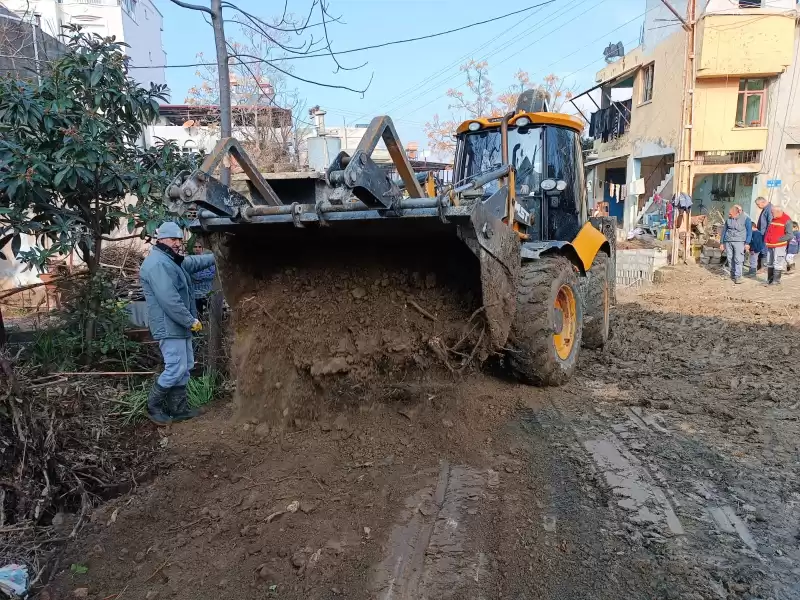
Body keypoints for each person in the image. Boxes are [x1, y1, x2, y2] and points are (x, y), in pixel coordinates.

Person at [139, 222, 216, 425]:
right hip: (170, 325)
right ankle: (153, 407)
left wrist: (218, 257)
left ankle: (178, 409)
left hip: (179, 325)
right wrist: (190, 320)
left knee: (186, 365)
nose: (177, 243)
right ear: (161, 239)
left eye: (179, 239)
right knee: (175, 367)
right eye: (173, 239)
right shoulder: (157, 264)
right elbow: (169, 300)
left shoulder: (170, 260)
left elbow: (191, 263)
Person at [719, 204, 751, 284]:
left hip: (739, 242)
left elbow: (749, 232)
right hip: (729, 241)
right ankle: (732, 274)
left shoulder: (746, 219)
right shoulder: (728, 219)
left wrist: (747, 243)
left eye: (731, 214)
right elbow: (724, 231)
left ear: (738, 213)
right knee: (730, 258)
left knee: (738, 259)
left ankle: (738, 276)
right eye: (729, 214)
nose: (729, 216)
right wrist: (722, 243)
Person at [764, 205, 793, 285]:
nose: (771, 214)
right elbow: (769, 230)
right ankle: (769, 280)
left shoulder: (787, 220)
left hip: (779, 246)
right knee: (769, 262)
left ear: (778, 212)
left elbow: (790, 235)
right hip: (770, 245)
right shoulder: (774, 219)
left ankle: (776, 281)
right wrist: (766, 239)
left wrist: (777, 240)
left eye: (772, 212)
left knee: (778, 263)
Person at [190, 238, 216, 316]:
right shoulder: (189, 261)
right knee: (198, 316)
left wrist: (198, 277)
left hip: (207, 292)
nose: (197, 249)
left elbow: (212, 274)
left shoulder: (207, 260)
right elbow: (188, 275)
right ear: (192, 248)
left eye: (199, 247)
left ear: (202, 248)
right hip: (195, 294)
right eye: (195, 247)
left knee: (213, 314)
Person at [755, 196, 773, 268]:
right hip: (762, 233)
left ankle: (763, 267)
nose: (758, 206)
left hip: (765, 234)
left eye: (758, 204)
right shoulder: (765, 208)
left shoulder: (769, 209)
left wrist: (766, 234)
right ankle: (760, 267)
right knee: (761, 249)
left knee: (764, 250)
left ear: (763, 202)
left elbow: (770, 223)